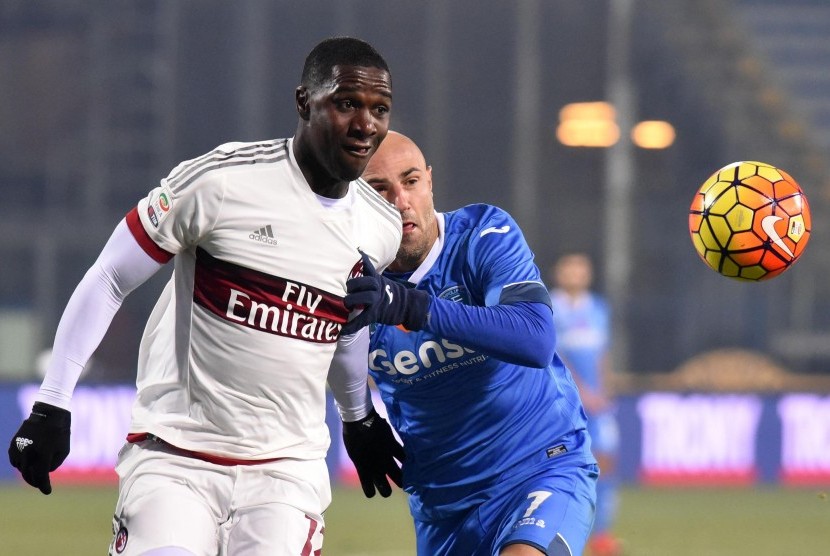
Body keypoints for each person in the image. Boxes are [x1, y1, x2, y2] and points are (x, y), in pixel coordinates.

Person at [7, 36, 402, 556]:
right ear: (305, 102)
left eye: (379, 109)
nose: (365, 125)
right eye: (347, 103)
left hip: (286, 473)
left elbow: (348, 325)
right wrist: (52, 404)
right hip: (175, 456)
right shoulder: (221, 182)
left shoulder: (380, 227)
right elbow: (109, 277)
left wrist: (358, 416)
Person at [329, 131, 598, 556]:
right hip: (441, 501)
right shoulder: (345, 275)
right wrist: (357, 418)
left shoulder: (483, 234)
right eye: (380, 190)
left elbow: (535, 338)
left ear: (430, 181)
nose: (401, 201)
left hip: (540, 466)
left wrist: (413, 308)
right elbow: (328, 352)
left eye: (411, 181)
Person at [549, 254, 621, 556]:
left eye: (581, 268)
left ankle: (602, 535)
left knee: (605, 463)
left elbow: (603, 353)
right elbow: (554, 356)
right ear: (558, 273)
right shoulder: (550, 306)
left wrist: (605, 388)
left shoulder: (599, 308)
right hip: (564, 402)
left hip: (597, 403)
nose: (576, 273)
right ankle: (557, 531)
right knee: (562, 466)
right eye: (570, 268)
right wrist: (581, 391)